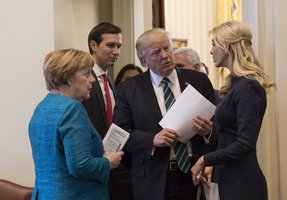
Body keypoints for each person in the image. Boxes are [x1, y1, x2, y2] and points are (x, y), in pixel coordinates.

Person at [113, 28, 216, 200]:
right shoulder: (129, 89)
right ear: (144, 61)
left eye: (167, 48)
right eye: (156, 52)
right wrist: (152, 139)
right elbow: (121, 134)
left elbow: (218, 126)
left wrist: (208, 131)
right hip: (152, 178)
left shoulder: (199, 81)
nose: (165, 55)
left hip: (195, 172)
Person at [191, 20, 275, 200]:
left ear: (227, 46)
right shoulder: (235, 85)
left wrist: (204, 159)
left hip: (243, 185)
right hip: (228, 178)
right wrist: (213, 163)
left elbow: (244, 144)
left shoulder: (248, 87)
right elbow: (229, 138)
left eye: (214, 44)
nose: (211, 51)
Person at [28, 48, 124, 200]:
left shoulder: (42, 106)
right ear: (68, 78)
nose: (92, 79)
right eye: (86, 73)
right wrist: (108, 162)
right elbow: (80, 166)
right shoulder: (72, 108)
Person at [82, 22, 133, 200]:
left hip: (115, 166)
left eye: (118, 46)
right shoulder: (82, 79)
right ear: (93, 46)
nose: (116, 51)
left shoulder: (110, 82)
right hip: (92, 166)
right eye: (110, 45)